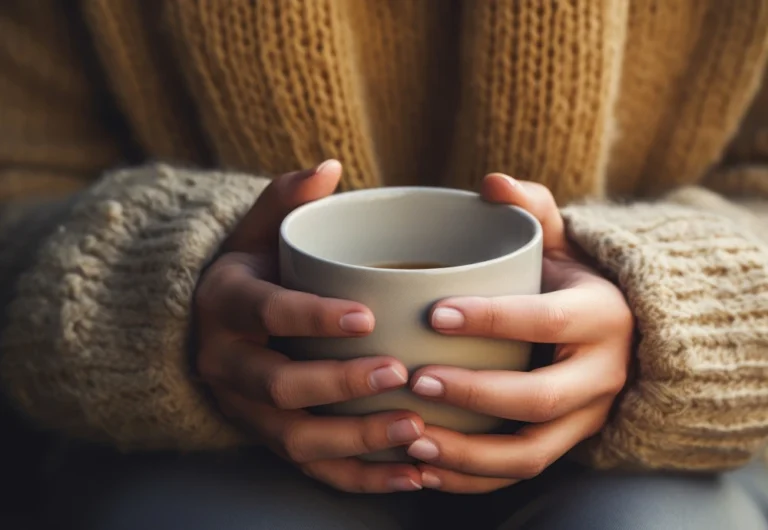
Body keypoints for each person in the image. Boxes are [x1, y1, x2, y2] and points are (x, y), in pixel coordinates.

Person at [1, 1, 767, 528]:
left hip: (663, 442)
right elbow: (20, 185)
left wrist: (676, 307)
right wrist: (160, 291)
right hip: (202, 435)